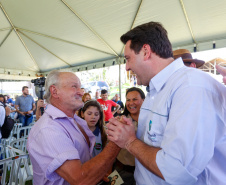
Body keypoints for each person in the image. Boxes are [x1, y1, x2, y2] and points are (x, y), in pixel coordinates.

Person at [106, 21, 226, 185]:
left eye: (128, 58)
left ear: (146, 52)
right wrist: (129, 131)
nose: (126, 67)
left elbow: (176, 170)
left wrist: (129, 141)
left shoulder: (190, 87)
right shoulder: (157, 89)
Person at [27, 70, 120, 185]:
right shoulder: (49, 129)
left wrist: (98, 172)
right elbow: (80, 180)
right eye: (74, 87)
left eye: (80, 87)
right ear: (55, 91)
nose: (81, 92)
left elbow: (85, 163)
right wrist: (116, 142)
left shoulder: (76, 121)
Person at [115, 87, 145, 185]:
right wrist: (107, 171)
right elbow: (110, 149)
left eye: (135, 99)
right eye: (128, 100)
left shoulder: (151, 122)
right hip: (121, 171)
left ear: (144, 100)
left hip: (146, 174)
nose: (131, 103)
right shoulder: (120, 121)